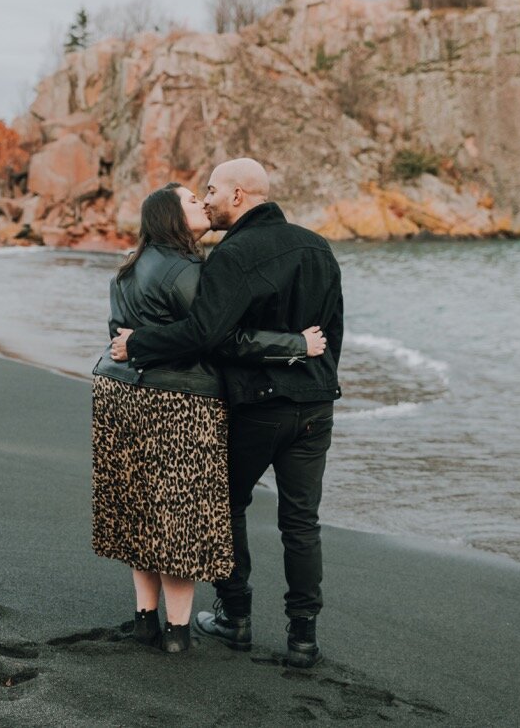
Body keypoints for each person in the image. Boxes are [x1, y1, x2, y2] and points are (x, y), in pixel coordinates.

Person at [110, 158, 344, 669]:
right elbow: (331, 334)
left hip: (258, 406)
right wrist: (312, 371)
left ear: (238, 196)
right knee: (301, 523)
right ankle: (303, 637)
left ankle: (235, 617)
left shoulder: (230, 255)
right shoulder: (318, 246)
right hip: (315, 405)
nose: (208, 199)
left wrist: (139, 343)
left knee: (223, 507)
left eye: (211, 191)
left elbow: (210, 338)